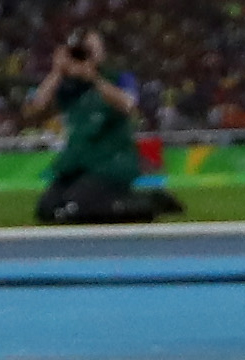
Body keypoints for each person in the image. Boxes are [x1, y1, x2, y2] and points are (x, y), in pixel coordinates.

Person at [27, 29, 175, 224]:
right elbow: (34, 109)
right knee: (46, 210)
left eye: (89, 49)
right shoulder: (69, 86)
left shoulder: (118, 78)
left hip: (110, 163)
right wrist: (56, 71)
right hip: (78, 163)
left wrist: (94, 78)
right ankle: (124, 203)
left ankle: (147, 203)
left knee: (75, 210)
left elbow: (128, 105)